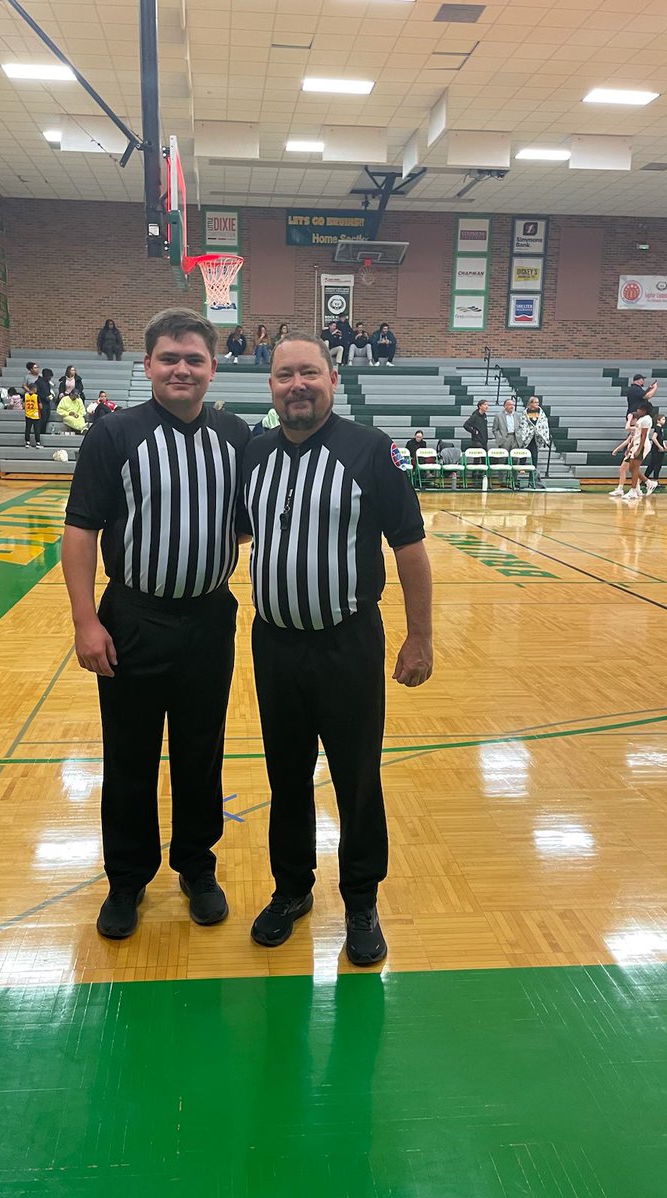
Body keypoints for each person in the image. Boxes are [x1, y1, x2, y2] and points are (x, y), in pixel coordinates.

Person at [243, 333, 433, 967]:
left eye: (309, 373)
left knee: (356, 778)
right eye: (284, 375)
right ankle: (292, 889)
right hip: (274, 645)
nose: (296, 385)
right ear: (271, 386)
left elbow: (409, 547)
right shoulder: (255, 453)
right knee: (285, 775)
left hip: (348, 644)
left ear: (332, 378)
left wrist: (420, 635)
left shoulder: (370, 450)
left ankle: (360, 901)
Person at [61, 308, 250, 940]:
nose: (181, 369)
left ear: (213, 368)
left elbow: (246, 524)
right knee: (130, 754)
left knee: (201, 749)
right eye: (169, 358)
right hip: (134, 617)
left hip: (209, 618)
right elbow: (80, 532)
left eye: (194, 359)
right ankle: (127, 878)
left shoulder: (237, 436)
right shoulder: (114, 435)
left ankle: (197, 866)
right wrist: (86, 621)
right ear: (147, 365)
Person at [620, 400, 653, 502]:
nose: (637, 410)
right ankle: (648, 482)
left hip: (642, 445)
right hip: (636, 444)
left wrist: (639, 449)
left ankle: (633, 490)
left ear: (644, 410)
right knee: (631, 468)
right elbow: (636, 434)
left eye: (639, 409)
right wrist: (630, 447)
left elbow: (643, 435)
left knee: (635, 468)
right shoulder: (641, 419)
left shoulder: (647, 419)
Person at [517, 395, 551, 474]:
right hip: (527, 436)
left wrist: (538, 429)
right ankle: (522, 467)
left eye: (537, 402)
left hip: (536, 436)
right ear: (530, 403)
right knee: (524, 452)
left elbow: (543, 422)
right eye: (535, 402)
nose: (537, 404)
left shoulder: (541, 412)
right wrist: (529, 430)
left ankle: (534, 470)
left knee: (534, 453)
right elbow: (523, 423)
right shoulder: (526, 412)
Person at [643, 414, 667, 494]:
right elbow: (654, 438)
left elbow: (661, 439)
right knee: (656, 466)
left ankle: (645, 480)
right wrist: (660, 446)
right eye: (663, 419)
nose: (664, 421)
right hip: (656, 450)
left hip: (658, 450)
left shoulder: (660, 429)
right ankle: (654, 482)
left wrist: (664, 446)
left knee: (652, 465)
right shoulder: (657, 428)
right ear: (658, 420)